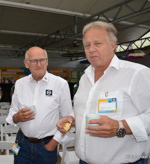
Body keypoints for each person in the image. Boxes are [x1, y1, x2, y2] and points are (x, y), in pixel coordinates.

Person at [57, 21, 150, 164]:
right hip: (84, 161)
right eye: (87, 45)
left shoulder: (137, 74)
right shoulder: (84, 78)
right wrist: (72, 119)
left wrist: (121, 126)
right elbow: (84, 110)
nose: (91, 49)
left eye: (97, 43)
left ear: (113, 45)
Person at [6, 46, 73, 164]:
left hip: (47, 146)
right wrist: (17, 117)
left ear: (47, 62)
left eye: (42, 60)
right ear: (27, 64)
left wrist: (54, 143)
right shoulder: (20, 84)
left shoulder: (60, 84)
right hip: (21, 143)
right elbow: (13, 112)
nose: (39, 64)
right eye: (34, 61)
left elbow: (69, 119)